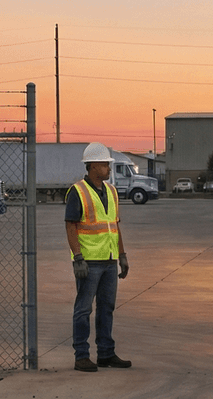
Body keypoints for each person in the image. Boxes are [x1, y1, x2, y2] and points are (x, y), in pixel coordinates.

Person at [64, 142, 131, 372]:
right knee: (83, 309)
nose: (108, 168)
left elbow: (115, 226)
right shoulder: (78, 192)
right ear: (92, 166)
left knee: (106, 308)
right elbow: (71, 226)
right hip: (89, 263)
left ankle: (106, 354)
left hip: (109, 261)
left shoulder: (111, 191)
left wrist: (122, 255)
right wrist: (78, 258)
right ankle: (81, 356)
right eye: (105, 164)